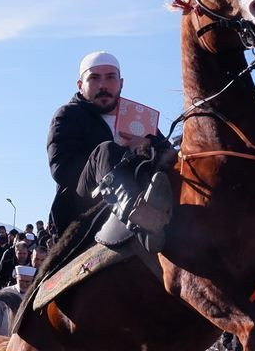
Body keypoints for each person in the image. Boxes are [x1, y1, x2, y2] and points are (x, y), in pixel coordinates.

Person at [46, 50, 169, 242]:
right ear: (80, 85)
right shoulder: (68, 115)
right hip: (86, 199)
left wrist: (147, 145)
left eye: (110, 78)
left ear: (121, 83)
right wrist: (121, 155)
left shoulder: (140, 118)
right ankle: (140, 216)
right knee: (106, 150)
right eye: (94, 78)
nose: (103, 85)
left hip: (143, 188)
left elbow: (169, 156)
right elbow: (62, 170)